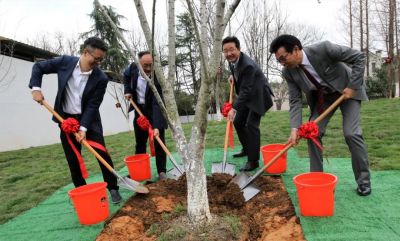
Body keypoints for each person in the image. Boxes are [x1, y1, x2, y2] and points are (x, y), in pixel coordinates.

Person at [269, 34, 371, 196]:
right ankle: (317, 179)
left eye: (283, 58)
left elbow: (359, 57)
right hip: (324, 99)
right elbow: (295, 100)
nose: (282, 63)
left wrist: (353, 86)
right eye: (279, 60)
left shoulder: (324, 49)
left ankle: (364, 181)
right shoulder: (288, 73)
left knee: (352, 133)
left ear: (296, 50)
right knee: (311, 133)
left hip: (348, 92)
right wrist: (294, 128)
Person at [29, 37, 122, 203]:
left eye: (102, 59)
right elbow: (38, 67)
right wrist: (36, 88)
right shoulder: (65, 62)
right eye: (97, 58)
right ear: (86, 53)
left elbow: (93, 105)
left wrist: (84, 128)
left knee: (101, 152)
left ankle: (113, 188)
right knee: (73, 158)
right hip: (66, 119)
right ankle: (82, 192)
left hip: (89, 119)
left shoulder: (101, 79)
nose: (99, 63)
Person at [222, 36, 274, 172]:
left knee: (251, 125)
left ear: (239, 49)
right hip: (248, 96)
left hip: (258, 97)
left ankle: (253, 161)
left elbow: (246, 90)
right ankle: (247, 149)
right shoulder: (232, 61)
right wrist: (233, 76)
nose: (228, 54)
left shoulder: (248, 65)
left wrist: (234, 108)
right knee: (238, 122)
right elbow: (238, 74)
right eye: (225, 51)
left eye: (231, 50)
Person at [123, 51, 168, 180]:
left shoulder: (157, 77)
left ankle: (161, 171)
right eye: (145, 65)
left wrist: (156, 125)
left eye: (151, 65)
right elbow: (125, 77)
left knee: (159, 141)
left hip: (154, 110)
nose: (148, 69)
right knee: (140, 142)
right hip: (139, 109)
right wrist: (127, 91)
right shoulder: (132, 68)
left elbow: (157, 103)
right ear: (138, 63)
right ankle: (138, 171)